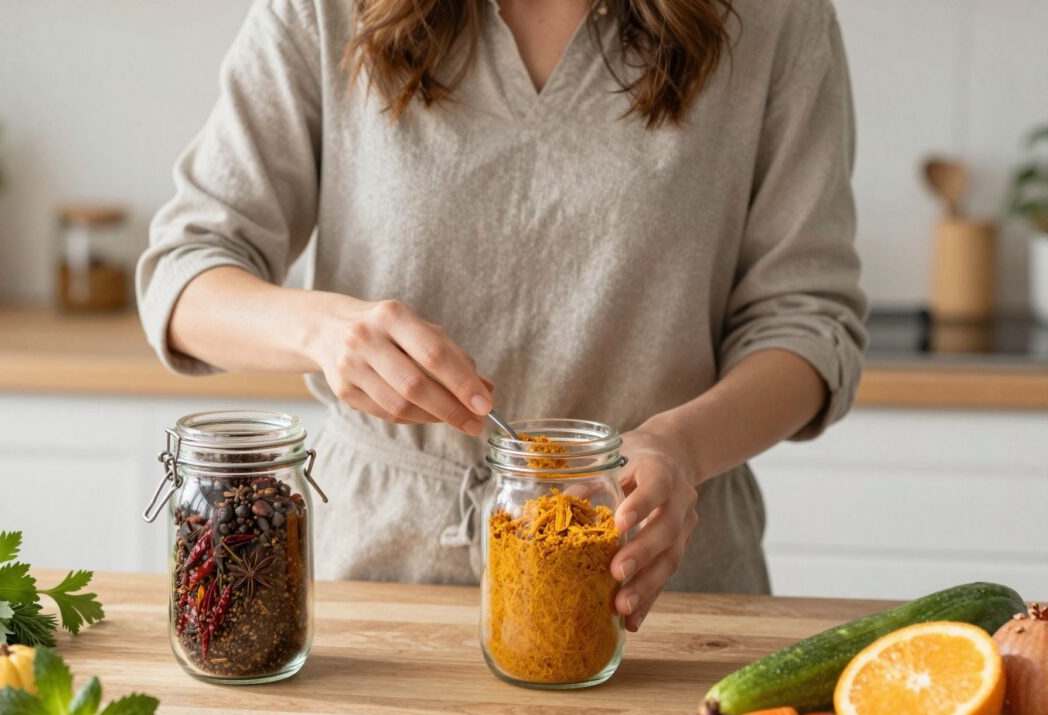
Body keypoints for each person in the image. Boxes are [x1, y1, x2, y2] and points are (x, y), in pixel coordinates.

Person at [137, 0, 867, 631]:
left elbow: (807, 324)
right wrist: (326, 334)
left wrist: (680, 447)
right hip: (379, 585)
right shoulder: (324, 12)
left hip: (657, 586)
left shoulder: (775, 20)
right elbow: (185, 275)